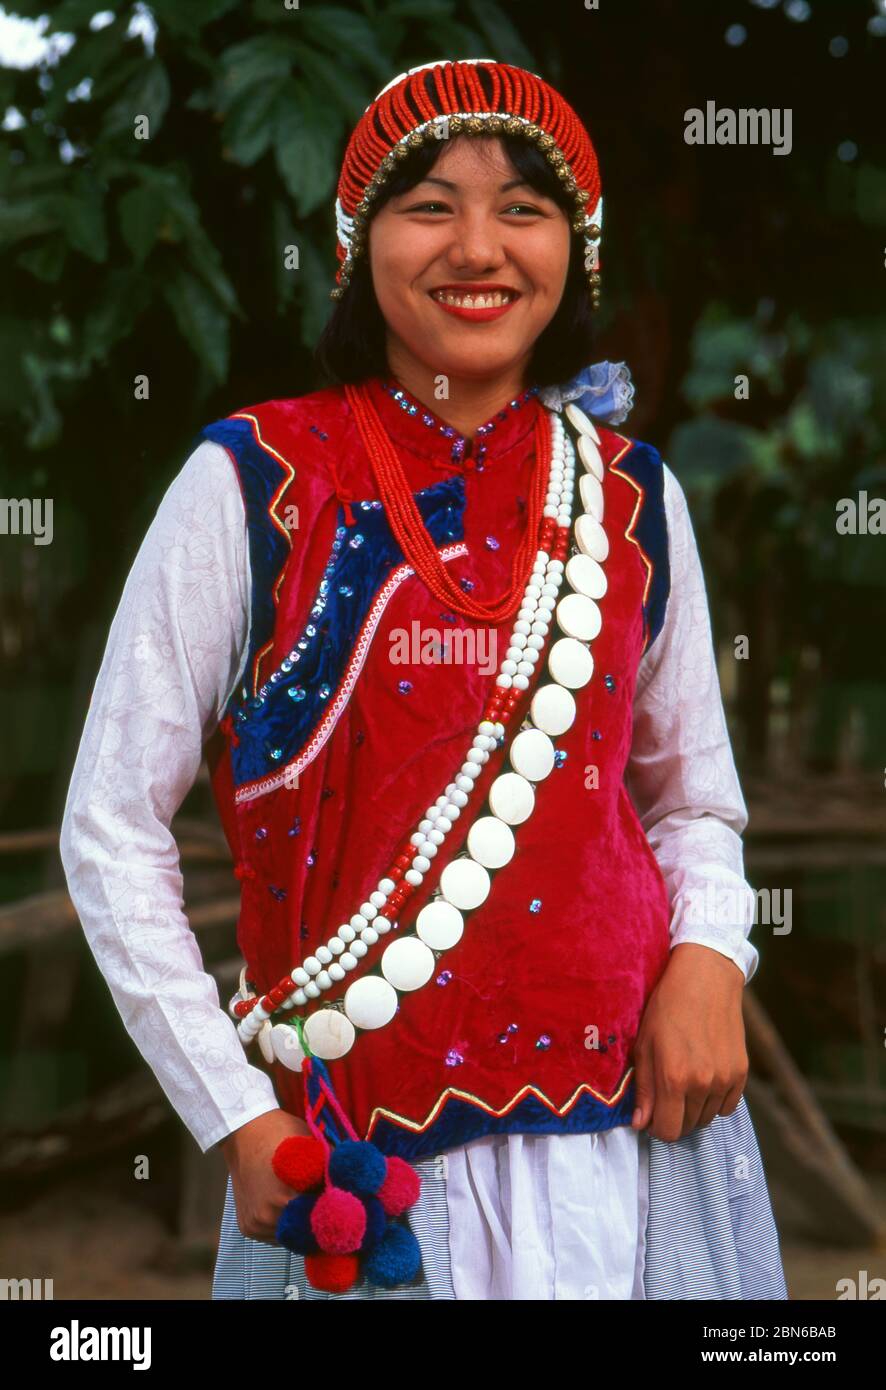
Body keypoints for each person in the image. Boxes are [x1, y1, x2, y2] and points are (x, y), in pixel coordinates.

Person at [59, 57, 787, 1300]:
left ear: (576, 247)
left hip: (628, 1142)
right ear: (358, 241)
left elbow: (689, 799)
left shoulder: (631, 498)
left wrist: (713, 954)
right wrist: (234, 1114)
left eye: (522, 207)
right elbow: (110, 824)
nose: (478, 246)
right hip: (354, 1162)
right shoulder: (251, 485)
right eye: (428, 203)